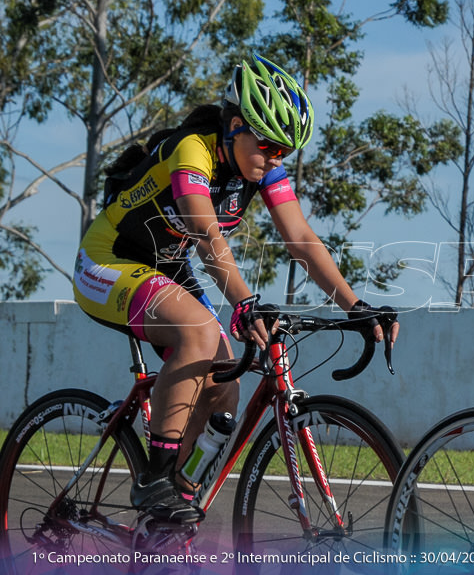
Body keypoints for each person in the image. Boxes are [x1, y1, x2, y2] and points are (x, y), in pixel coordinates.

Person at [73, 53, 398, 524]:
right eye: (267, 145)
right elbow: (206, 232)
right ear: (235, 126)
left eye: (283, 152)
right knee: (200, 333)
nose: (273, 159)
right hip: (108, 259)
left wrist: (355, 306)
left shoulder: (262, 169)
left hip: (163, 266)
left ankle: (171, 509)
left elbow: (302, 240)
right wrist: (244, 302)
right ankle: (154, 480)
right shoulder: (193, 149)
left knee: (224, 381)